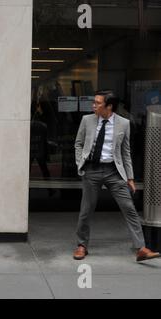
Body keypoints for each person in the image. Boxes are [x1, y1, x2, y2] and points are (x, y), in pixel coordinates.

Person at [73, 90, 160, 262]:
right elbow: (79, 143)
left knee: (129, 208)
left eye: (98, 103)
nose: (94, 105)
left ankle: (141, 248)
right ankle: (82, 245)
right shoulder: (87, 120)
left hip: (114, 171)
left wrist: (130, 178)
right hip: (92, 170)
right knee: (86, 210)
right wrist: (80, 164)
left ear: (109, 106)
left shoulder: (124, 123)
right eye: (94, 102)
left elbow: (126, 152)